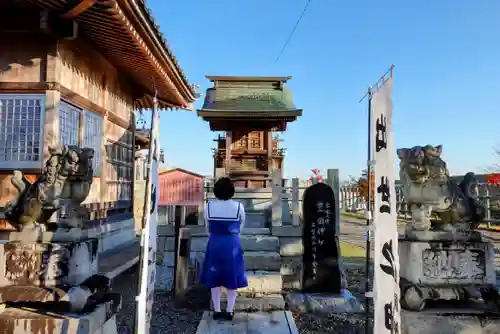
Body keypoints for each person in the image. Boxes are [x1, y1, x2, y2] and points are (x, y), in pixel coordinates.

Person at [200, 177, 248, 321]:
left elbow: (206, 227)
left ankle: (216, 310)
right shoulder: (239, 206)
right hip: (232, 243)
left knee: (214, 276)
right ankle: (229, 310)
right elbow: (242, 225)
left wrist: (215, 235)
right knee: (231, 276)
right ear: (231, 190)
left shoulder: (209, 206)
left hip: (215, 242)